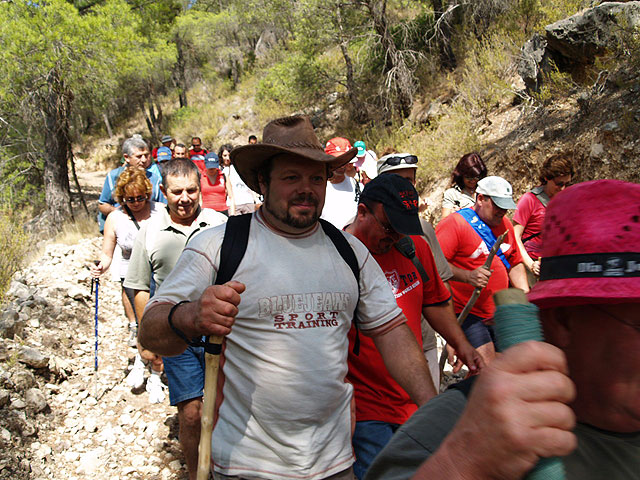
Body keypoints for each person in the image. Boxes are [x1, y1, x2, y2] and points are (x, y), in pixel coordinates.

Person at [138, 115, 439, 480]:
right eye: (291, 177)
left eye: (316, 178)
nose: (306, 189)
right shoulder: (220, 245)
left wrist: (433, 411)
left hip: (336, 463)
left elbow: (393, 333)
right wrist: (191, 318)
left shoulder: (349, 252)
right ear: (262, 182)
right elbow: (151, 332)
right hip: (246, 466)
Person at [366, 179, 640, 480]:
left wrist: (524, 300)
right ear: (563, 321)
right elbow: (437, 278)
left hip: (494, 316)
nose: (500, 214)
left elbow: (499, 269)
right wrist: (465, 460)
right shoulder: (453, 429)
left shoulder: (499, 228)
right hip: (385, 387)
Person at [344, 174, 483, 479]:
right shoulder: (340, 258)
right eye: (388, 228)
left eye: (401, 229)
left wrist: (461, 343)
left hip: (414, 397)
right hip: (366, 408)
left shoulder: (413, 247)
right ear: (362, 211)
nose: (394, 237)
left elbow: (433, 302)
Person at [124, 159, 227, 479]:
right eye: (177, 191)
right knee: (193, 413)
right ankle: (197, 472)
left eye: (192, 190)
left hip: (220, 333)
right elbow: (139, 287)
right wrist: (149, 339)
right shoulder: (150, 232)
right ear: (163, 192)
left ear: (200, 190)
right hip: (176, 335)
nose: (185, 198)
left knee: (225, 407)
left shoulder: (220, 224)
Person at [377, 152, 454, 388]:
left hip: (426, 341)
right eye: (396, 180)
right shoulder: (359, 233)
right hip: (381, 349)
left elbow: (441, 285)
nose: (404, 187)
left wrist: (453, 338)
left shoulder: (423, 229)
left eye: (409, 180)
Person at [436, 176, 528, 364]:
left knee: (509, 366)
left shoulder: (506, 225)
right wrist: (467, 276)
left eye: (505, 206)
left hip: (500, 311)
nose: (502, 211)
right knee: (484, 367)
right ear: (480, 199)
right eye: (497, 205)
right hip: (467, 312)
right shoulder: (454, 224)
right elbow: (435, 266)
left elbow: (515, 261)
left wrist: (524, 296)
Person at [91, 168, 164, 400]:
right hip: (131, 281)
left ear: (148, 194)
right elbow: (107, 253)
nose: (135, 203)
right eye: (129, 199)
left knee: (158, 329)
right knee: (140, 327)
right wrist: (100, 267)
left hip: (159, 278)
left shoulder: (161, 212)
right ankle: (142, 363)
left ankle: (155, 374)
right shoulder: (115, 218)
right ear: (121, 197)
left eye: (140, 197)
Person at [513, 153, 574, 283]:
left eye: (567, 184)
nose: (563, 189)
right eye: (559, 184)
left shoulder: (567, 202)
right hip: (531, 269)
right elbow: (515, 236)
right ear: (547, 178)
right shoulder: (529, 200)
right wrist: (531, 265)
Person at [97, 136, 166, 233]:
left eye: (146, 155)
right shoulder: (113, 177)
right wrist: (121, 213)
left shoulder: (155, 179)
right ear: (126, 158)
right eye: (138, 156)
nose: (144, 160)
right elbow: (103, 204)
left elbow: (163, 207)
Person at [321, 136, 362, 229]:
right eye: (337, 160)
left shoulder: (356, 185)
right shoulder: (318, 187)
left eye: (344, 160)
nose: (341, 165)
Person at [441, 152, 488, 219]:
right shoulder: (452, 194)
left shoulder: (486, 191)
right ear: (461, 175)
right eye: (469, 177)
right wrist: (454, 214)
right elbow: (444, 220)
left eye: (476, 177)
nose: (473, 181)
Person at [219, 143, 258, 215]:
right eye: (225, 155)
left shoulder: (245, 167)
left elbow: (250, 184)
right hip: (235, 204)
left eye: (229, 155)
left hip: (248, 201)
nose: (227, 158)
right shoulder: (225, 170)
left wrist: (256, 199)